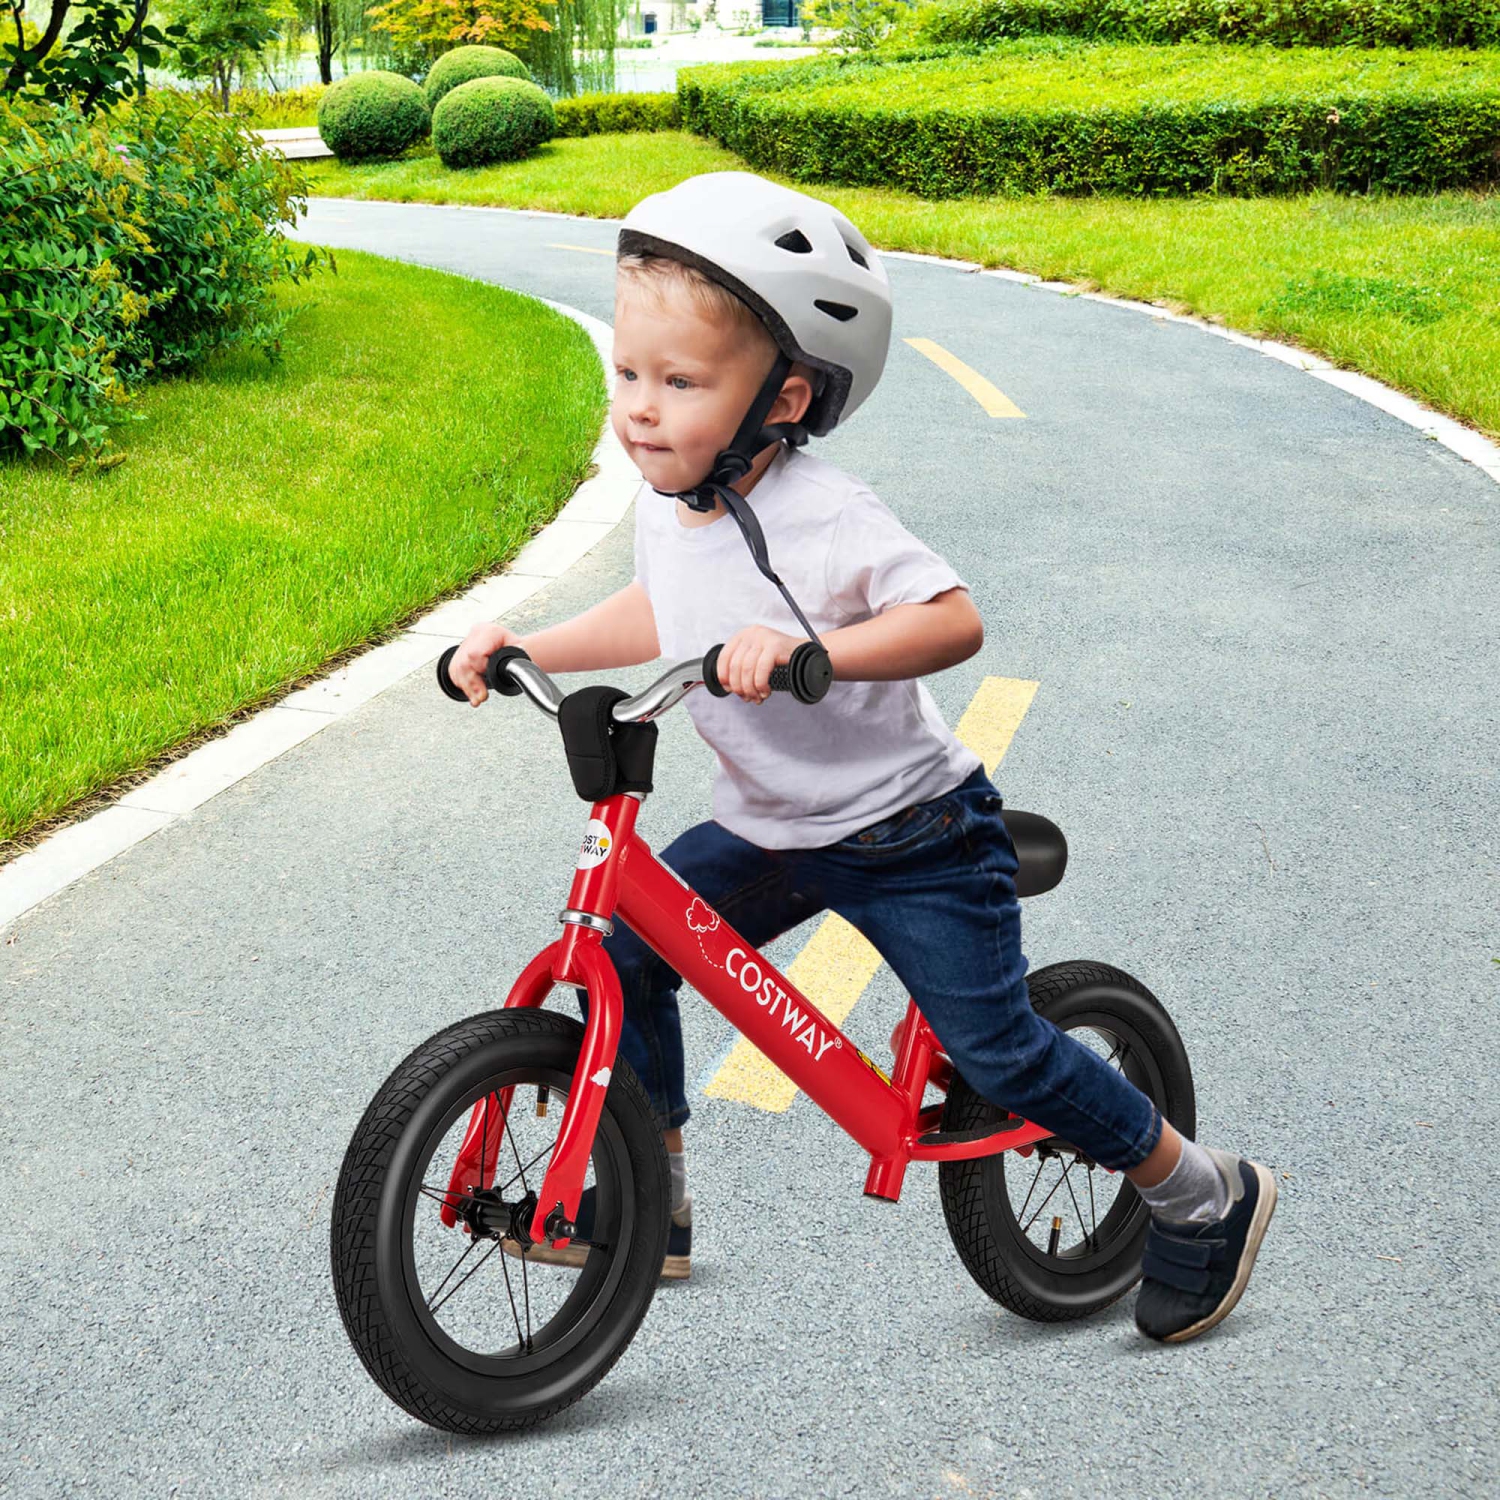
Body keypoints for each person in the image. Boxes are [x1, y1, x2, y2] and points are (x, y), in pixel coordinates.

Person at [446, 171, 1276, 1341]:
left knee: (999, 1052)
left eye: (681, 383)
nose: (640, 407)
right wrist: (529, 639)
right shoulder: (668, 498)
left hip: (913, 833)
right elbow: (660, 609)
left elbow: (953, 621)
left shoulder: (828, 514)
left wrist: (814, 651)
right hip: (772, 825)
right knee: (627, 947)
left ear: (782, 394)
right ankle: (651, 1196)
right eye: (630, 373)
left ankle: (1203, 1191)